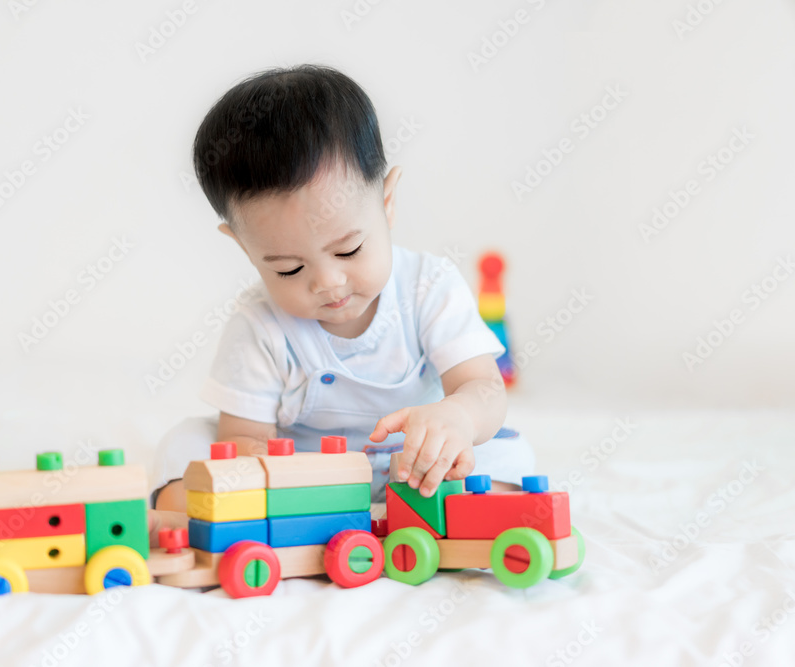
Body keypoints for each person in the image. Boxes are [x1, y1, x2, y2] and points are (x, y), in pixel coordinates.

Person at [152, 64, 533, 512]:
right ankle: (324, 513)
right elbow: (245, 439)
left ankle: (426, 506)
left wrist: (459, 417)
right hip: (308, 478)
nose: (327, 282)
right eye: (290, 269)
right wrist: (271, 474)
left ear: (387, 204)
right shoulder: (258, 325)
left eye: (349, 250)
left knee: (509, 457)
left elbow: (484, 388)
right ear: (244, 247)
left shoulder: (428, 287)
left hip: (421, 463)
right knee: (182, 446)